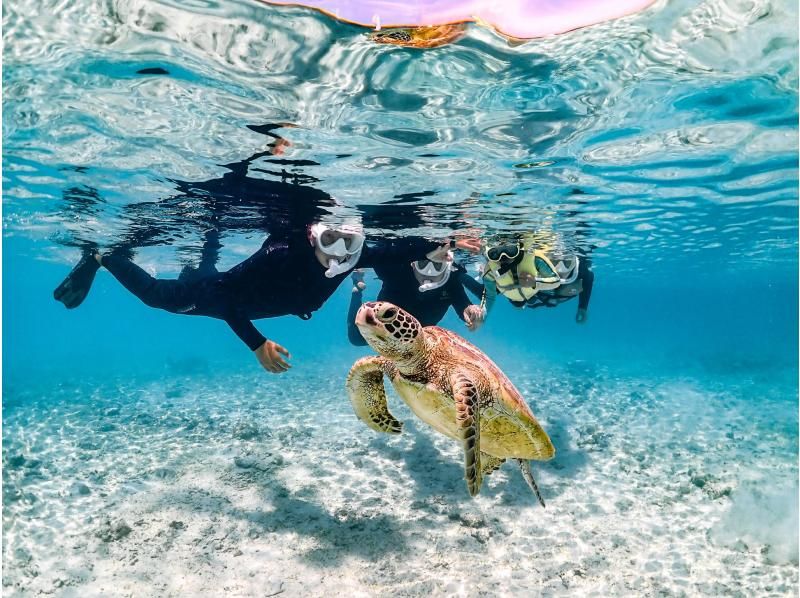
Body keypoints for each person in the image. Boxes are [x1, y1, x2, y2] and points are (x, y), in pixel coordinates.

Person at [54, 221, 471, 374]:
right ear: (312, 235)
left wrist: (443, 242)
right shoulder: (281, 255)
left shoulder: (353, 254)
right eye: (331, 240)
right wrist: (256, 343)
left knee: (203, 269)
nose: (341, 253)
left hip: (243, 296)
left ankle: (200, 254)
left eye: (351, 242)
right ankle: (103, 256)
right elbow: (223, 298)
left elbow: (398, 250)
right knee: (158, 298)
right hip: (219, 297)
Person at [346, 239, 484, 346]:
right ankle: (357, 289)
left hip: (420, 336)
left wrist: (470, 310)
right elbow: (371, 254)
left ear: (447, 266)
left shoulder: (451, 281)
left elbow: (463, 306)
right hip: (386, 330)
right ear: (412, 263)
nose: (429, 272)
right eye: (422, 264)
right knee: (356, 339)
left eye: (437, 265)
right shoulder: (396, 271)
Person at [463, 234, 594, 324]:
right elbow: (490, 296)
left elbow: (588, 279)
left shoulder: (581, 270)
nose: (558, 267)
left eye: (565, 262)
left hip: (540, 291)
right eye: (554, 261)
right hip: (531, 293)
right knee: (512, 299)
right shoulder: (536, 262)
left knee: (518, 300)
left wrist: (583, 307)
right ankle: (459, 274)